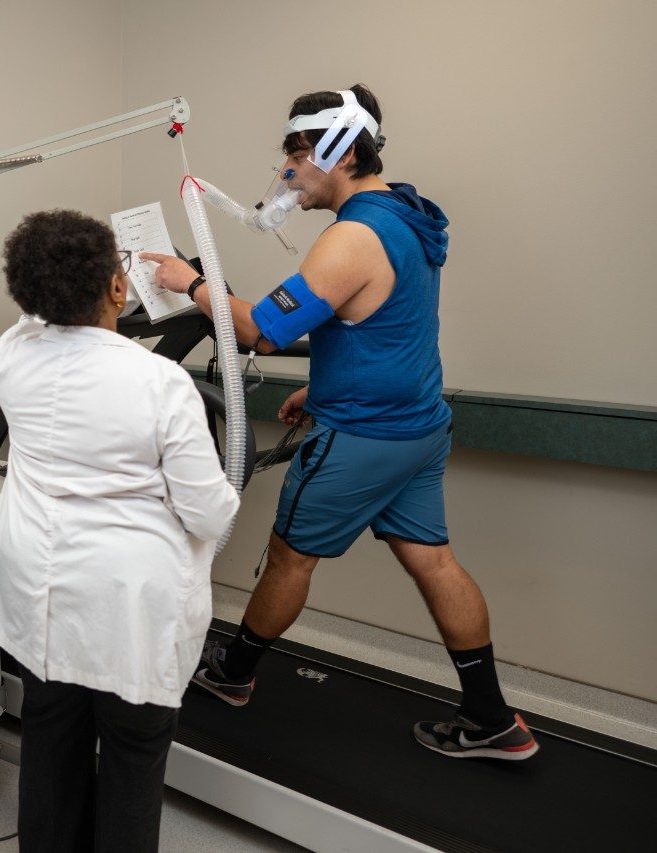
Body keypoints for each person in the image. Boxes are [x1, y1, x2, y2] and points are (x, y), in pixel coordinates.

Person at [141, 84, 538, 761]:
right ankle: (491, 717)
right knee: (435, 562)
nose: (288, 176)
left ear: (336, 150)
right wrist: (322, 392)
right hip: (417, 428)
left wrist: (192, 282)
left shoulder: (352, 236)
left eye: (295, 157)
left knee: (290, 557)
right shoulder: (405, 217)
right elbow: (383, 327)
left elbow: (262, 333)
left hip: (362, 439)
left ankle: (232, 676)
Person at [0, 209, 239, 852]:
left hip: (41, 591)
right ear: (119, 289)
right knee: (131, 761)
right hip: (127, 605)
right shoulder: (160, 383)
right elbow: (211, 516)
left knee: (51, 744)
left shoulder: (10, 356)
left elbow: (37, 316)